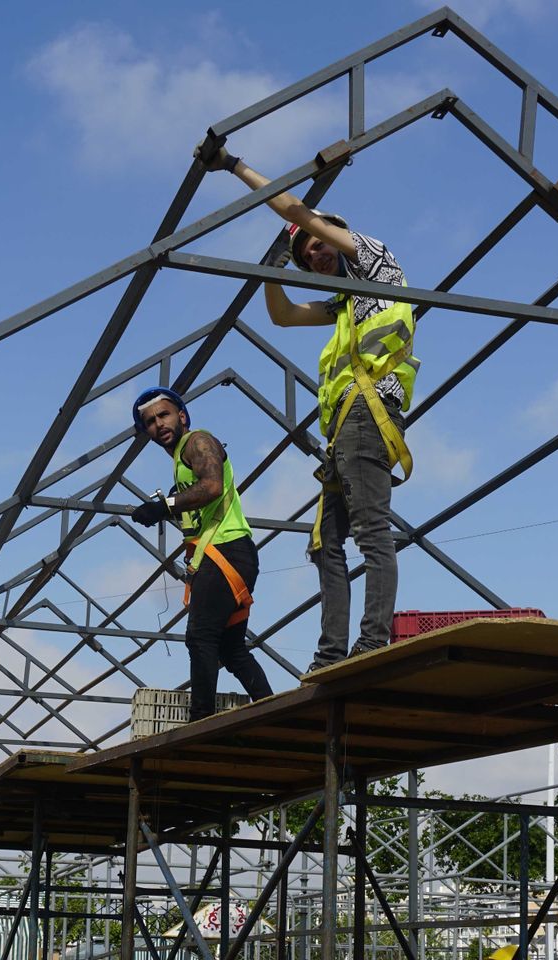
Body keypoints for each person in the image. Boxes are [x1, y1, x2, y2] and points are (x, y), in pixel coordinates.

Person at [200, 144, 417, 671]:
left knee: (371, 532)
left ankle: (372, 642)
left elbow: (295, 209)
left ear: (337, 235)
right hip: (345, 427)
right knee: (325, 546)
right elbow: (283, 316)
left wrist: (233, 166)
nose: (315, 256)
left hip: (368, 416)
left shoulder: (375, 265)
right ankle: (330, 653)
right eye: (306, 257)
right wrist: (273, 270)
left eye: (318, 245)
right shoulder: (343, 304)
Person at [129, 386, 273, 721]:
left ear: (182, 416)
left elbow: (212, 486)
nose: (158, 424)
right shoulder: (181, 460)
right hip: (227, 554)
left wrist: (163, 507)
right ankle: (274, 712)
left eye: (164, 415)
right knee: (231, 648)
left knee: (200, 637)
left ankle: (201, 719)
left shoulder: (198, 442)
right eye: (150, 422)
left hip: (226, 551)